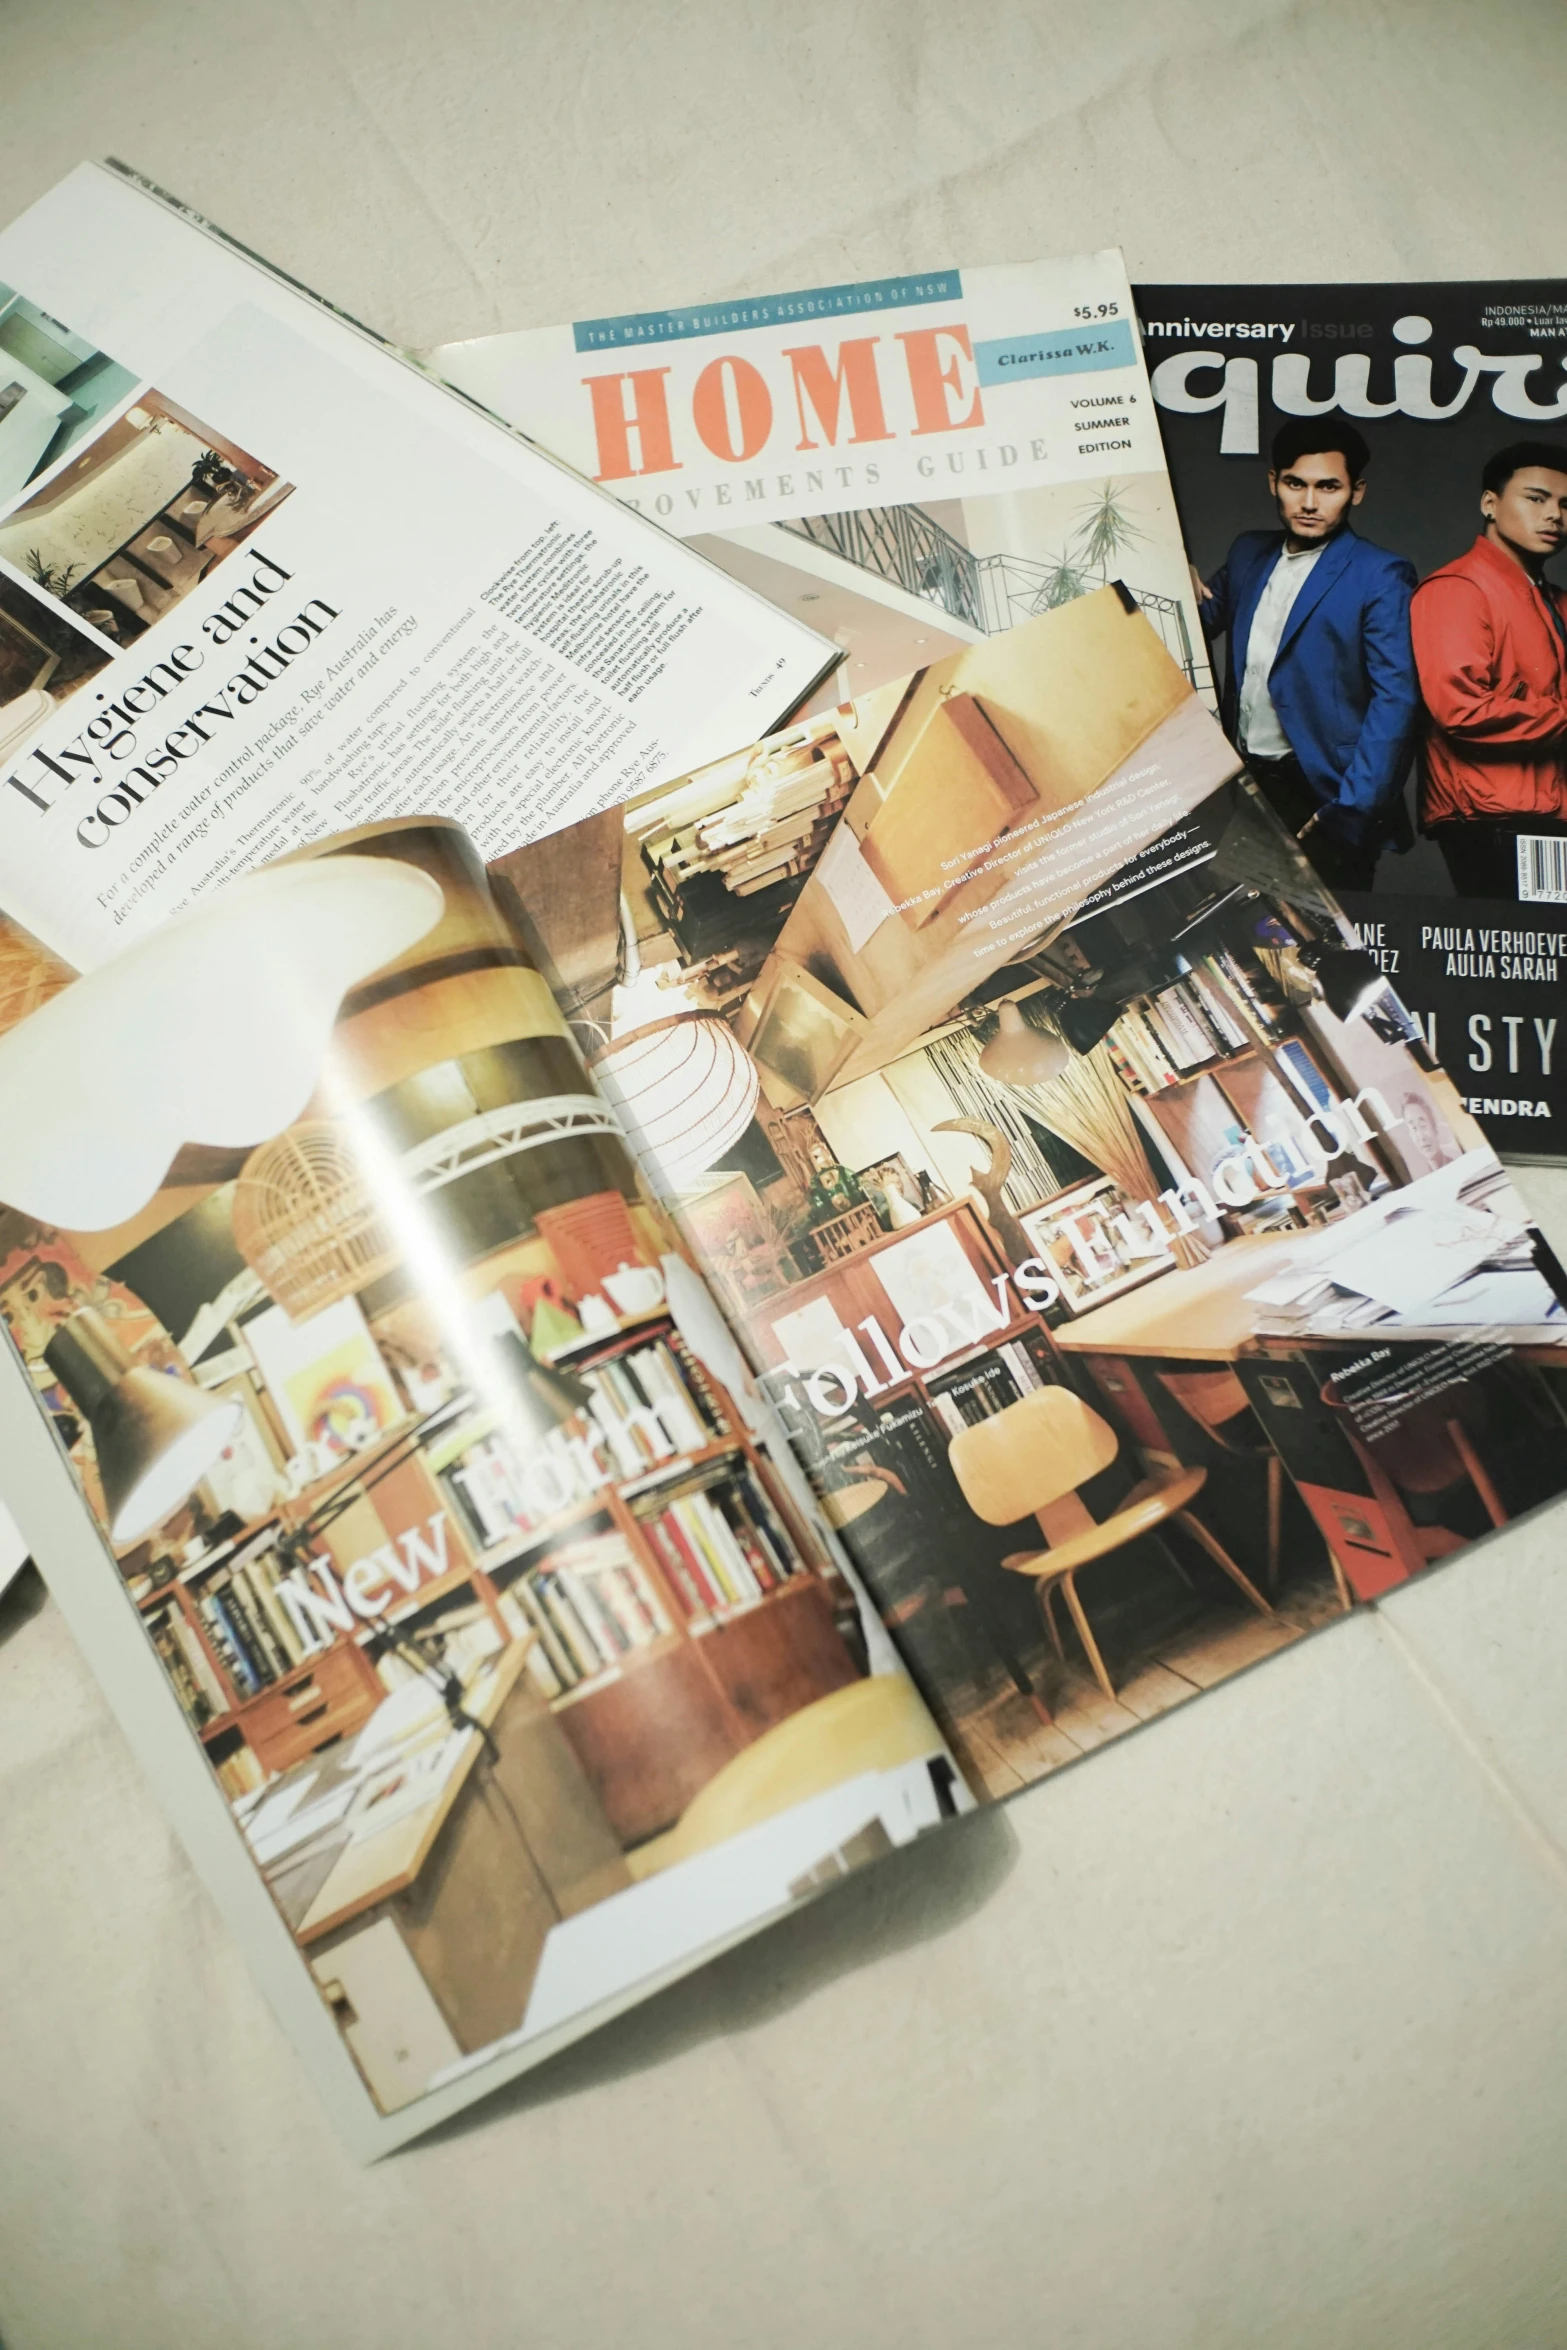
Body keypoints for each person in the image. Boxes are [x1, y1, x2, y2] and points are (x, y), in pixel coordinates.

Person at [1194, 419, 1419, 891]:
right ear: (1274, 482)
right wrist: (1170, 571)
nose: (1310, 503)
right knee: (1249, 934)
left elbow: (1396, 700)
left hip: (1323, 790)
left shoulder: (1381, 574)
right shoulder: (1248, 552)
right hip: (1244, 784)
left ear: (1355, 492)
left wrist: (1351, 809)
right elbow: (1200, 620)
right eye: (1296, 484)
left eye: (1328, 487)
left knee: (1327, 943)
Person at [1411, 440, 1567, 899]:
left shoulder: (1551, 599)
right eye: (1536, 499)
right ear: (1490, 504)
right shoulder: (1457, 589)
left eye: (1565, 504)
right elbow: (1462, 710)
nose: (1554, 515)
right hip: (1491, 819)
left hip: (1544, 813)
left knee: (1552, 960)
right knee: (1526, 951)